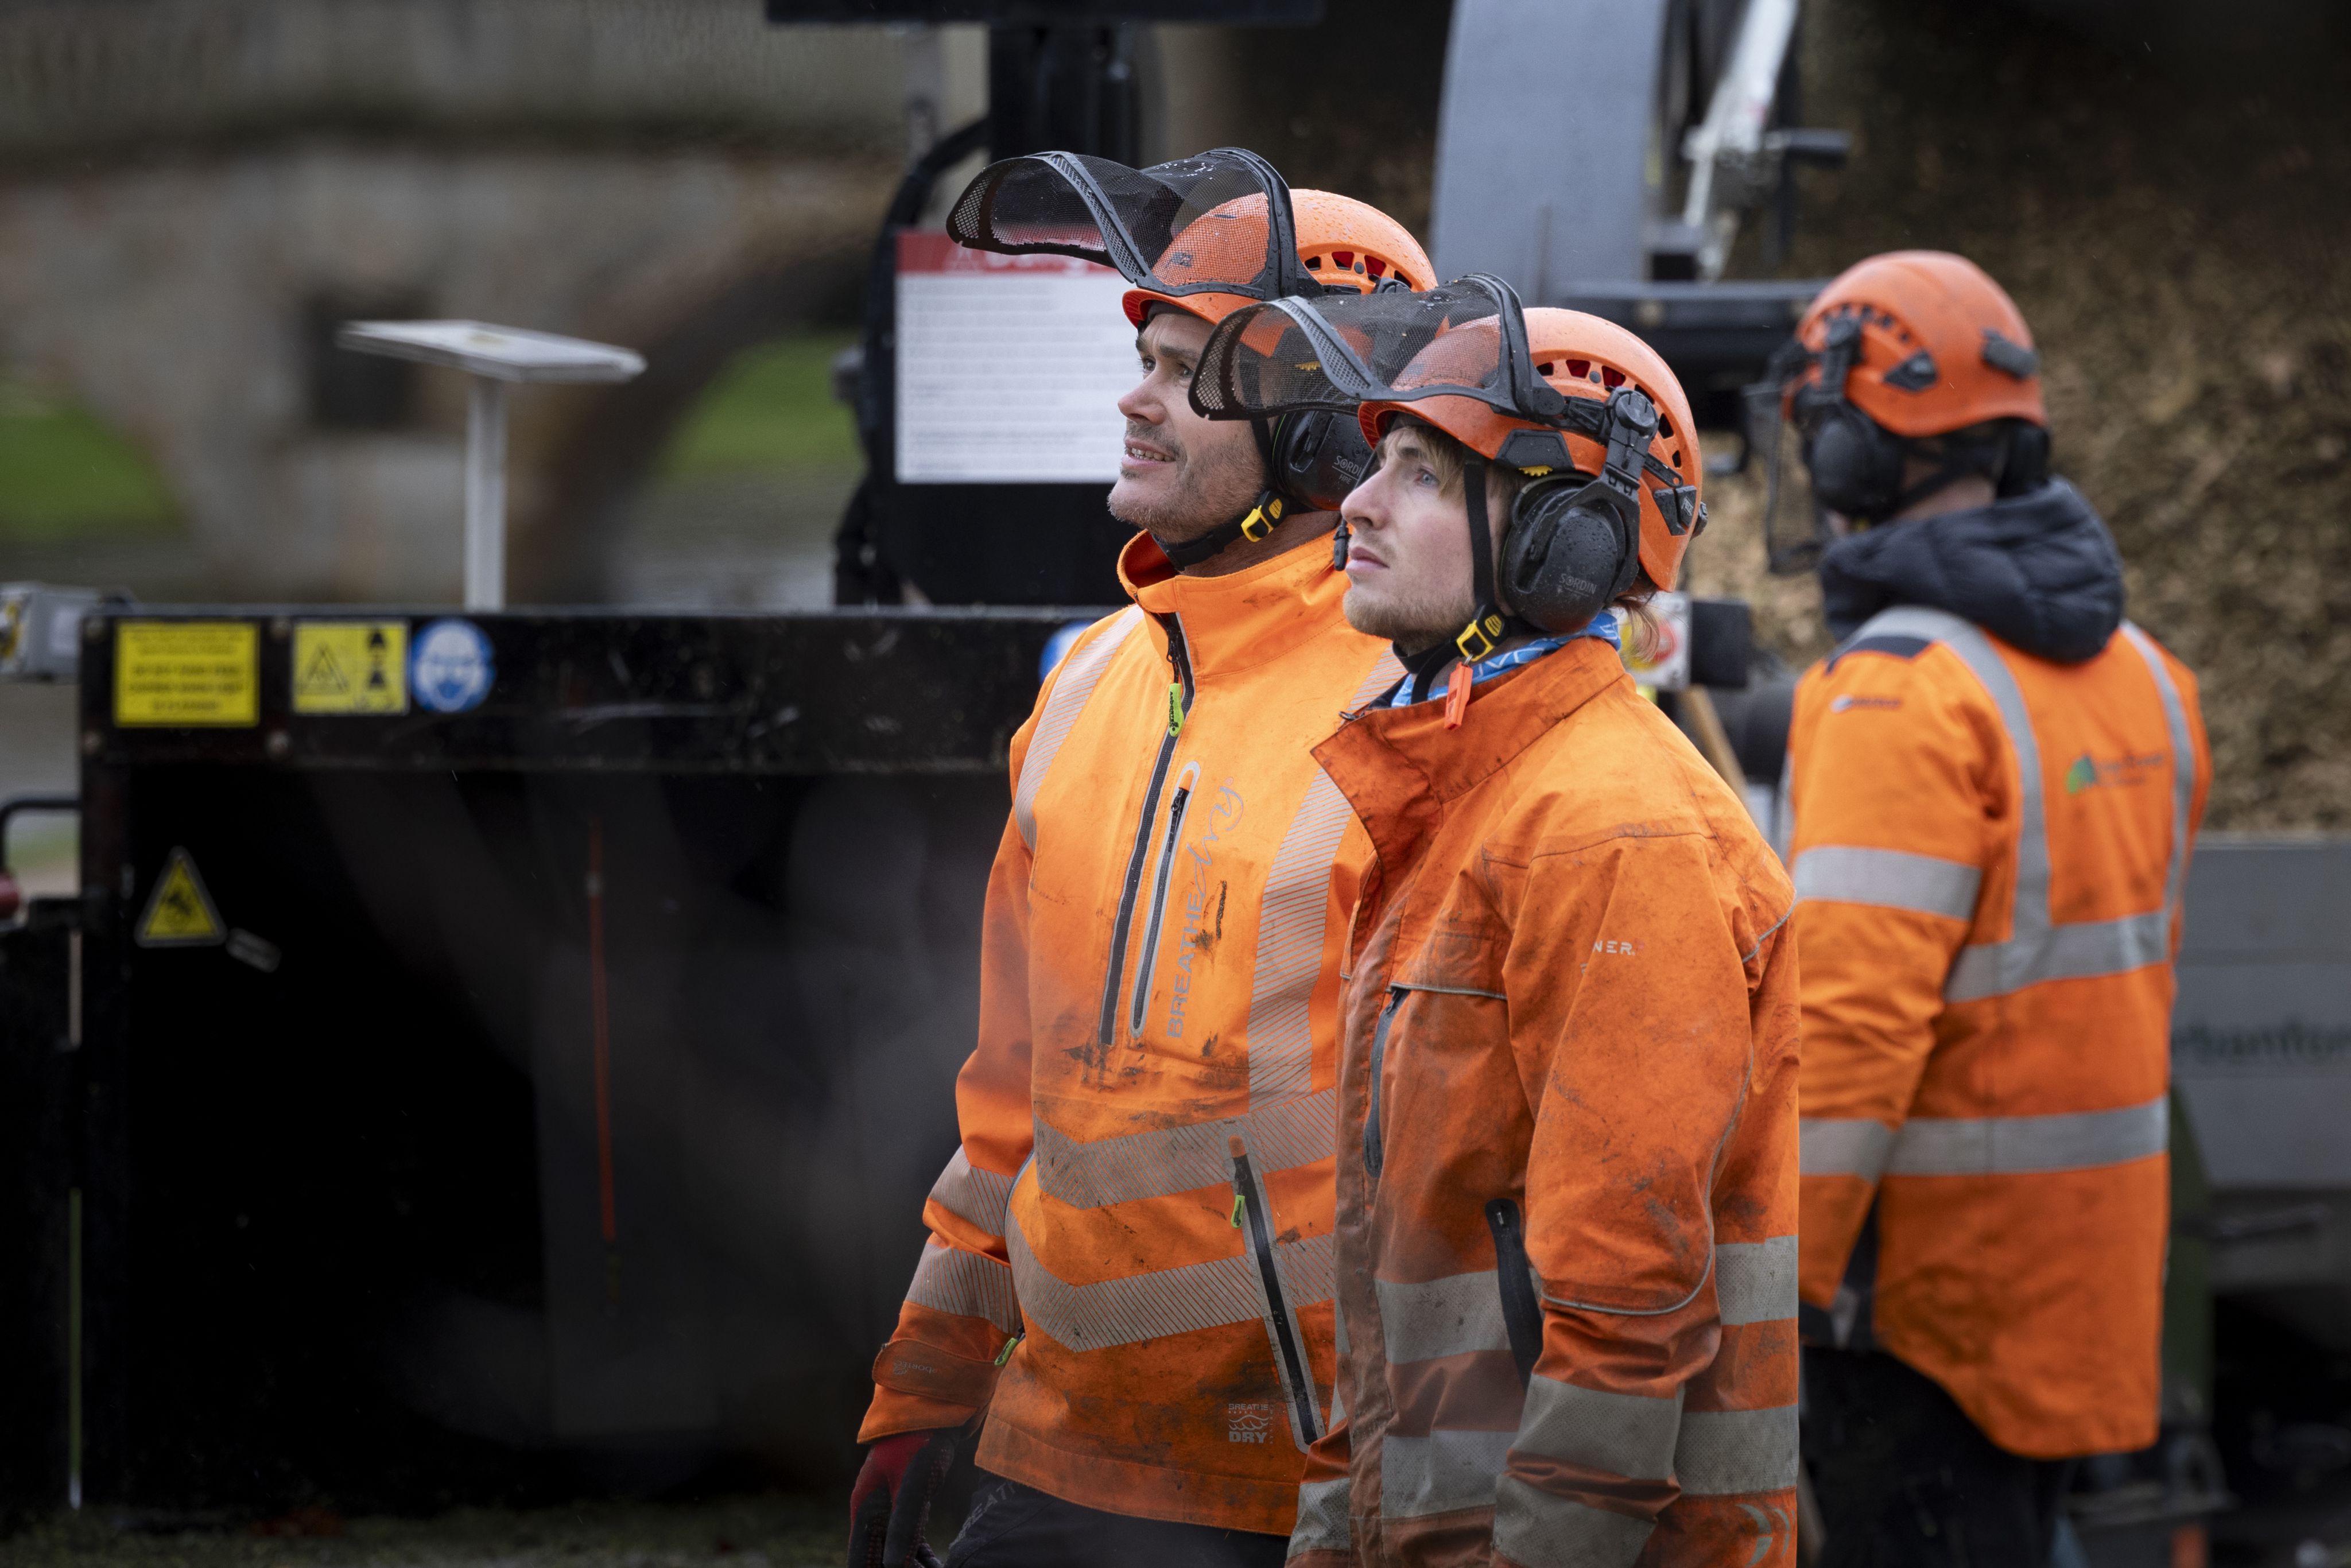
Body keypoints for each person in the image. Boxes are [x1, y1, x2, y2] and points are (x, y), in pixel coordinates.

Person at [845, 149, 1434, 1568]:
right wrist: (929, 1367)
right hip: (1060, 1452)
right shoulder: (1092, 682)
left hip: (1309, 1478)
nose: (1132, 397)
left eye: (1185, 372)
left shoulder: (1419, 714)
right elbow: (1011, 1096)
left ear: (1324, 432)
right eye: (1143, 357)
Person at [1193, 277, 1802, 1567]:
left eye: (1414, 471)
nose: (1351, 504)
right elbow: (1397, 1258)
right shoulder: (1470, 802)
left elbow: (1622, 1302)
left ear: (1560, 541)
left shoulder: (1606, 834)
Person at [1758, 250, 2212, 1565]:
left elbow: (1839, 1043)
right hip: (2078, 1294)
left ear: (1849, 458)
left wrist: (1754, 1305)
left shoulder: (1893, 693)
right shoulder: (2145, 678)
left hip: (1920, 1318)